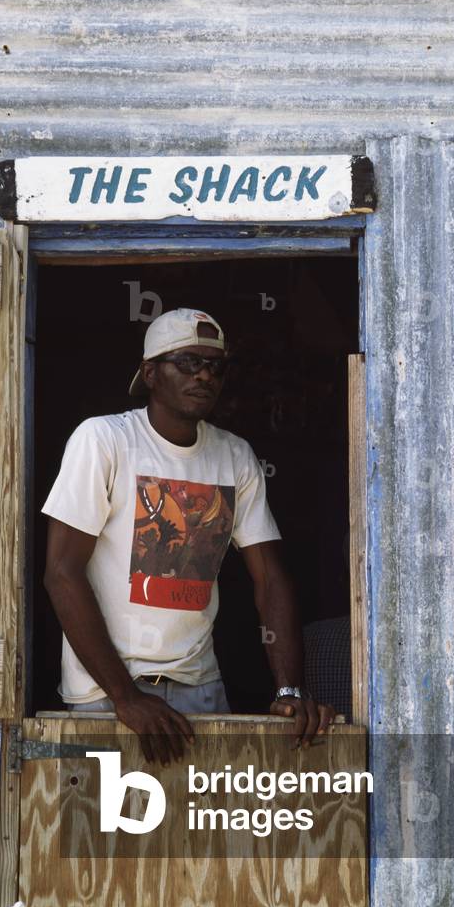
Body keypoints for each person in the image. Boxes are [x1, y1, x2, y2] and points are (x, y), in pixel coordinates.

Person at [42, 307, 335, 766]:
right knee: (115, 834)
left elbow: (270, 579)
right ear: (151, 373)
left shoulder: (234, 456)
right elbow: (61, 573)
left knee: (202, 832)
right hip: (105, 694)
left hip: (200, 690)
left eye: (215, 367)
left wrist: (289, 689)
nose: (204, 375)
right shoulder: (104, 440)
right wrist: (125, 697)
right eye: (188, 363)